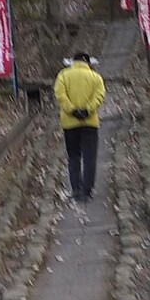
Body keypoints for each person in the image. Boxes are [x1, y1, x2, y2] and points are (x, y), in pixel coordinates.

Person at [53, 51, 106, 201]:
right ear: (87, 62)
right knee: (89, 157)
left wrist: (72, 110)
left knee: (74, 156)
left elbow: (60, 94)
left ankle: (76, 189)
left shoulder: (63, 76)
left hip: (69, 123)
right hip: (90, 123)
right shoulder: (96, 77)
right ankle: (87, 190)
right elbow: (99, 95)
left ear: (73, 62)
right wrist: (87, 110)